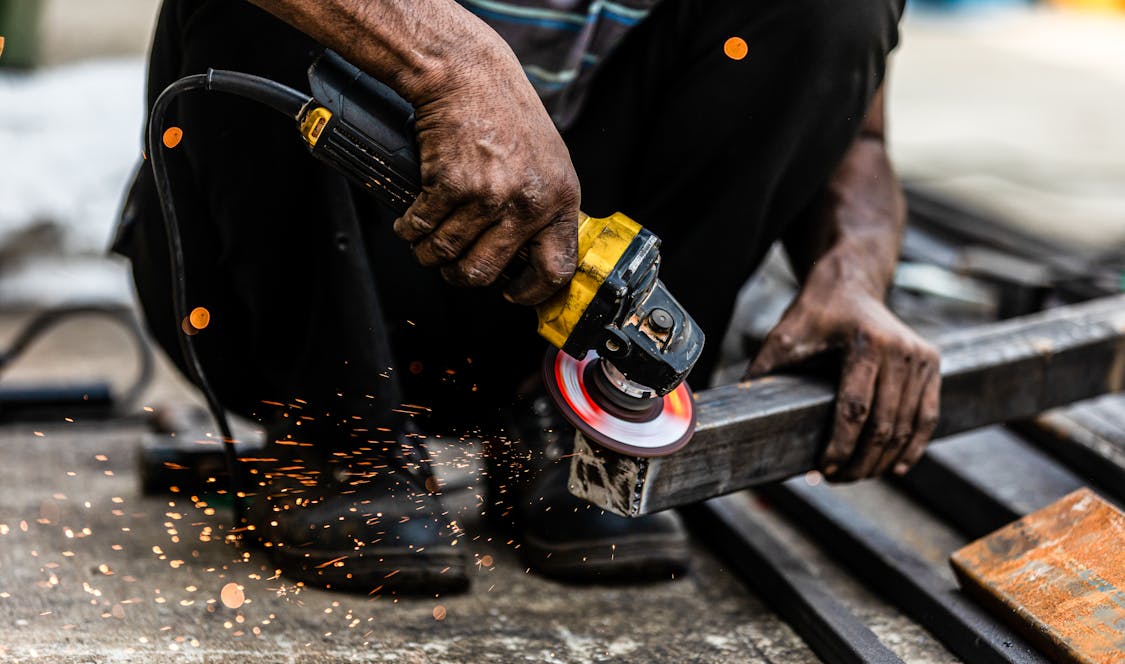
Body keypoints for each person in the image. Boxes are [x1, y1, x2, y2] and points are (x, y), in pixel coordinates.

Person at [113, 0, 939, 594]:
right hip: (277, 280)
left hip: (537, 299)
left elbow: (857, 136)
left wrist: (853, 268)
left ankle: (583, 427)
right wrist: (450, 64)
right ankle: (337, 433)